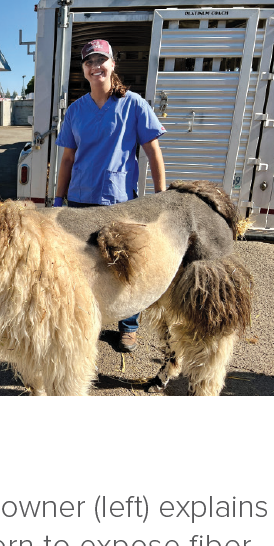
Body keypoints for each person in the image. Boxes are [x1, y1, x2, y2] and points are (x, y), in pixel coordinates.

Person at [51, 39, 166, 352]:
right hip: (79, 201)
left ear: (113, 64)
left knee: (125, 267)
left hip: (120, 202)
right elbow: (67, 160)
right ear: (84, 71)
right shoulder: (76, 111)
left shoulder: (134, 105)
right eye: (89, 62)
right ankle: (84, 321)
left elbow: (153, 153)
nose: (95, 66)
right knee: (81, 267)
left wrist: (160, 197)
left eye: (101, 60)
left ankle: (128, 327)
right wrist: (58, 202)